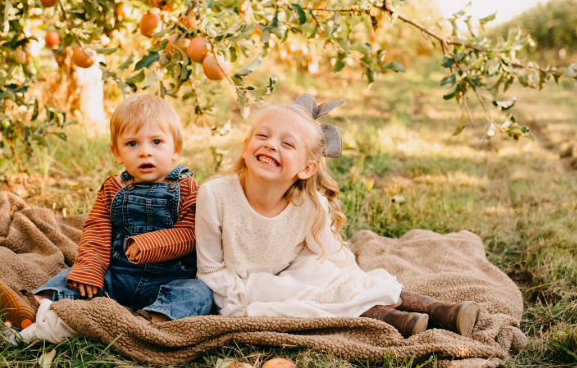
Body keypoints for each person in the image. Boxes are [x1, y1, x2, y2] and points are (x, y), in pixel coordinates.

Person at [194, 94, 480, 338]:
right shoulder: (215, 195)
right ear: (246, 147)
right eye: (263, 135)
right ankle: (387, 317)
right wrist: (234, 305)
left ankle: (430, 306)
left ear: (307, 168)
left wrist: (357, 280)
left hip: (295, 265)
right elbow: (210, 270)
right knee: (302, 299)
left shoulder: (309, 203)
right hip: (245, 283)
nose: (271, 145)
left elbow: (329, 251)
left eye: (287, 144)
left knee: (330, 276)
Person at [0, 94, 213, 342]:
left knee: (199, 293)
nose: (145, 152)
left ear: (175, 149)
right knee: (74, 275)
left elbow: (191, 233)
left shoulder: (188, 188)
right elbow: (95, 230)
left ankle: (148, 321)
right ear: (117, 152)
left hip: (167, 282)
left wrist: (150, 244)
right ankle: (34, 305)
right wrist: (90, 267)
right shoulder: (113, 188)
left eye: (157, 142)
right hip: (117, 275)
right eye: (132, 144)